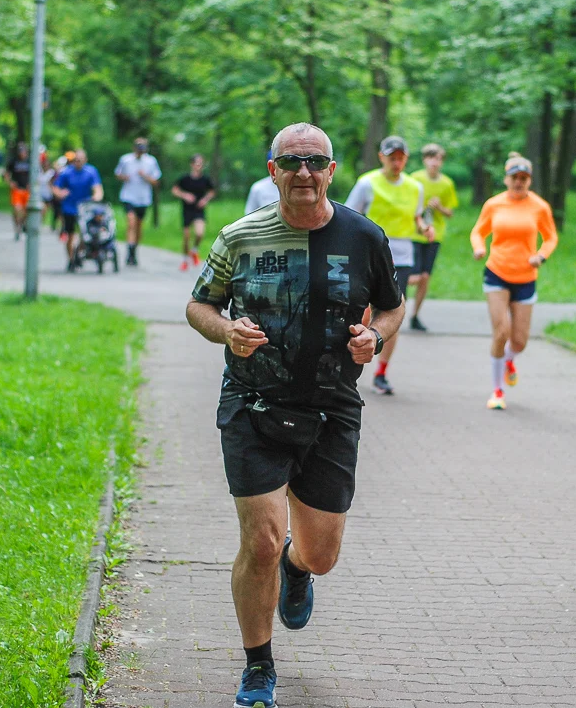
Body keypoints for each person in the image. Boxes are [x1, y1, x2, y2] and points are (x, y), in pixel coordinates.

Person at [186, 122, 404, 708]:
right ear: (272, 170)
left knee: (321, 555)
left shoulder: (364, 237)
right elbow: (199, 304)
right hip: (253, 402)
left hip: (332, 407)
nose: (302, 172)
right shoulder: (239, 237)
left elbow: (391, 307)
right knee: (259, 540)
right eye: (290, 162)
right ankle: (259, 665)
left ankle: (297, 565)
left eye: (314, 162)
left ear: (331, 171)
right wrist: (226, 330)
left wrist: (376, 338)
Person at [344, 136, 434, 395]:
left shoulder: (415, 187)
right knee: (361, 314)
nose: (396, 163)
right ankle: (348, 364)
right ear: (381, 157)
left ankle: (381, 373)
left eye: (400, 158)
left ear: (406, 159)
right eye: (391, 158)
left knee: (391, 314)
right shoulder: (367, 183)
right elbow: (348, 215)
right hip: (369, 254)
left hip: (401, 257)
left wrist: (424, 228)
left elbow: (417, 216)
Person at [469, 152, 558, 410]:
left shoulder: (539, 207)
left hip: (526, 276)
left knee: (519, 341)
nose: (519, 182)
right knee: (501, 332)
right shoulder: (494, 204)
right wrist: (479, 247)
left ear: (529, 180)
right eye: (514, 177)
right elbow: (478, 231)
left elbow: (551, 237)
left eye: (524, 178)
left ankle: (509, 359)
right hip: (497, 272)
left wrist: (541, 256)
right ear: (506, 179)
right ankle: (498, 390)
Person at [407, 143, 459, 331]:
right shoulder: (414, 179)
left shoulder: (446, 184)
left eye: (438, 159)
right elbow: (406, 204)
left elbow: (450, 212)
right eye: (430, 158)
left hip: (434, 235)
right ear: (424, 160)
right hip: (414, 232)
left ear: (442, 162)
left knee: (425, 277)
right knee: (413, 276)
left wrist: (439, 207)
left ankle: (415, 316)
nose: (434, 162)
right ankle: (392, 301)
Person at [51, 149, 103, 272]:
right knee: (70, 235)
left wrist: (97, 197)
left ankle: (78, 252)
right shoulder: (66, 172)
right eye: (76, 160)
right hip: (69, 208)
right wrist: (60, 194)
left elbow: (97, 188)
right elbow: (56, 188)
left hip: (85, 208)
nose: (78, 162)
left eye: (80, 160)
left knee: (86, 234)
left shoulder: (91, 171)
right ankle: (71, 260)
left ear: (85, 160)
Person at [114, 137, 162, 266]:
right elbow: (117, 174)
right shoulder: (125, 160)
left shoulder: (151, 161)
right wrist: (124, 177)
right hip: (128, 196)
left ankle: (134, 250)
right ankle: (129, 251)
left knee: (139, 226)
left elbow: (156, 181)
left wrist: (145, 176)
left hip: (143, 198)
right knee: (131, 223)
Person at [171, 153, 216, 271]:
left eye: (201, 164)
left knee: (199, 233)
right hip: (187, 210)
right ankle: (185, 260)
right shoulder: (185, 179)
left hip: (199, 210)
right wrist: (184, 195)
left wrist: (205, 200)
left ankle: (194, 250)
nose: (199, 166)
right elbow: (174, 190)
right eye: (197, 163)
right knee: (186, 236)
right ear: (192, 164)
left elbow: (212, 192)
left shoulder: (205, 179)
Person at [6, 144, 31, 241]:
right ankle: (17, 229)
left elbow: (36, 173)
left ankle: (22, 223)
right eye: (21, 152)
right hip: (17, 190)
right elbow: (7, 173)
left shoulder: (30, 162)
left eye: (24, 152)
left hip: (27, 190)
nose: (22, 154)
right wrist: (10, 182)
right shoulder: (14, 161)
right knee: (17, 209)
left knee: (26, 210)